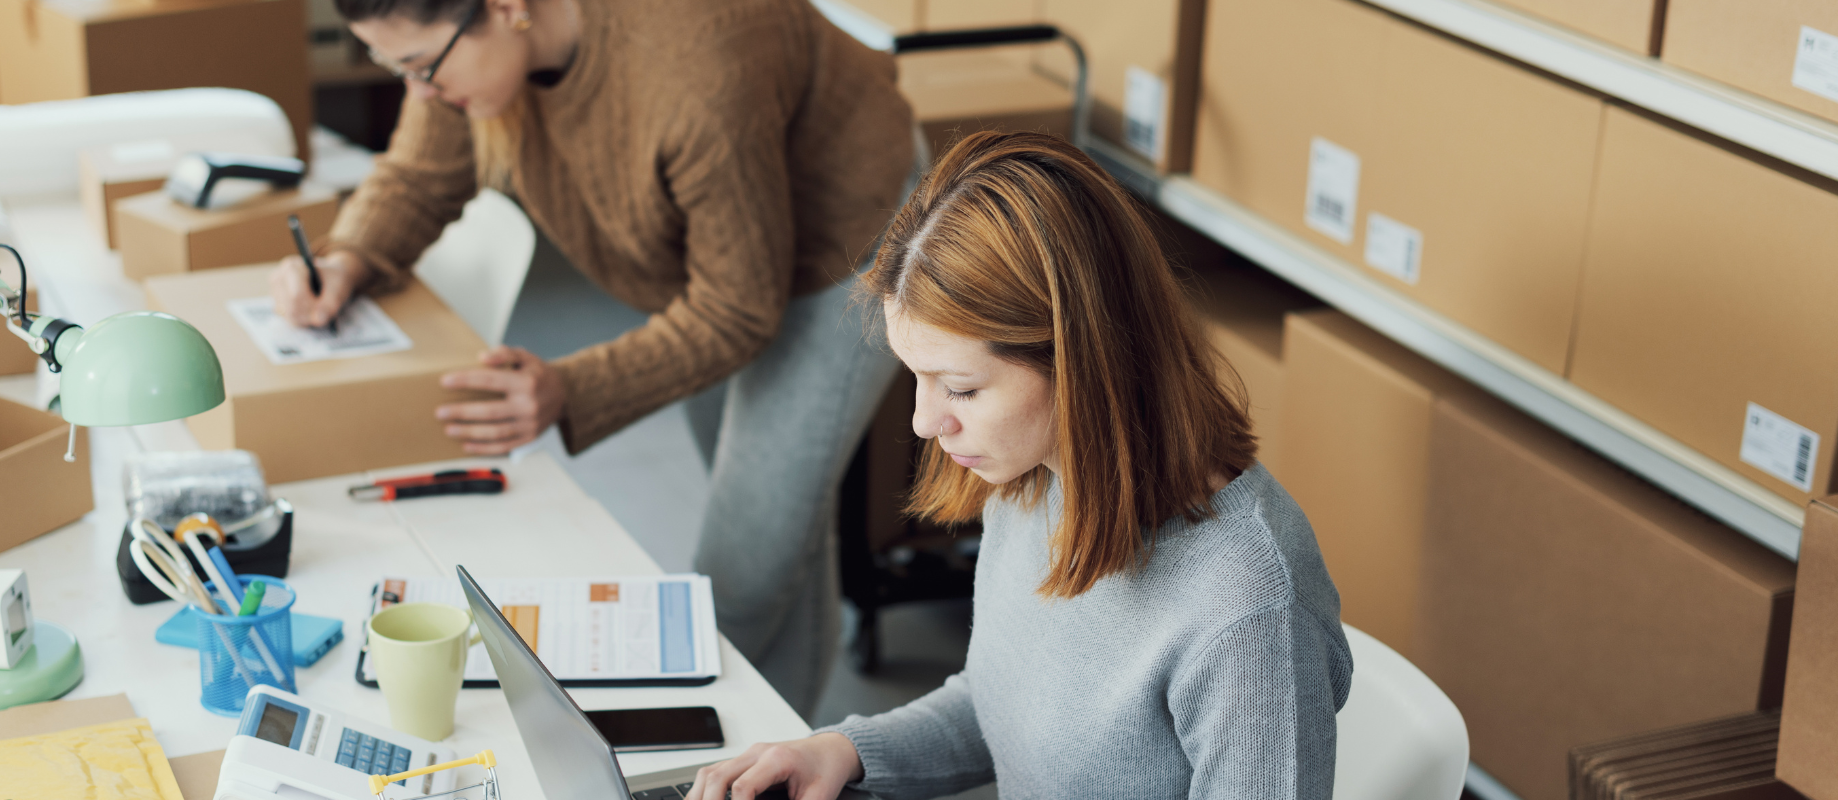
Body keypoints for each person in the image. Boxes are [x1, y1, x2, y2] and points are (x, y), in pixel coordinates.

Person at [277, 0, 915, 714]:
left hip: (842, 241)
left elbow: (737, 309)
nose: (418, 91)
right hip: (711, 259)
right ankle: (785, 765)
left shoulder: (689, 73)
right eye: (395, 68)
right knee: (781, 533)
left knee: (742, 570)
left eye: (423, 66)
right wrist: (351, 257)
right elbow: (422, 171)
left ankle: (733, 762)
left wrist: (570, 389)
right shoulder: (465, 50)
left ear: (508, 9)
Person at [689, 131, 1355, 800]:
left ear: (1081, 361)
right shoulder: (1036, 477)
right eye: (917, 379)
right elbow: (1003, 703)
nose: (925, 422)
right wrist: (844, 750)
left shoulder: (1249, 612)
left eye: (962, 388)